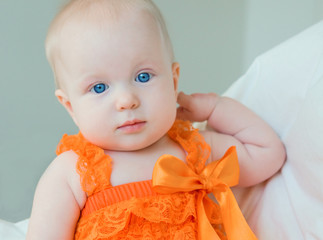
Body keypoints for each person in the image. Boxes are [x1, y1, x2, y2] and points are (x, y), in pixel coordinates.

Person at [26, 0, 286, 239]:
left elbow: (266, 154)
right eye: (99, 88)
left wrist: (214, 109)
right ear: (71, 106)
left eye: (143, 77)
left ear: (173, 82)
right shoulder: (73, 171)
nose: (126, 100)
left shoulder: (194, 150)